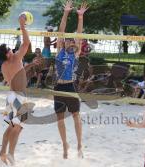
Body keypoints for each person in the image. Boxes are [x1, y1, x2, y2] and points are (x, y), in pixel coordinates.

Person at [0, 15, 38, 165]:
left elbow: (17, 74)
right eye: (9, 49)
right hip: (18, 97)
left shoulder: (4, 65)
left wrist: (30, 65)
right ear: (7, 54)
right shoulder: (15, 58)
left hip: (12, 96)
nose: (12, 49)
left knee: (15, 127)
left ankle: (3, 151)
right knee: (17, 128)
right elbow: (27, 43)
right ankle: (10, 154)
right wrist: (22, 25)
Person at [54, 0, 88, 159]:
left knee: (76, 116)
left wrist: (80, 17)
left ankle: (80, 144)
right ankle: (65, 145)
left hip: (70, 87)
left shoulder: (74, 53)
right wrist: (66, 12)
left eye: (71, 40)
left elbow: (79, 35)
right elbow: (61, 29)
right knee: (59, 118)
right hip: (58, 88)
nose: (69, 41)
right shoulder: (59, 50)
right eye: (67, 39)